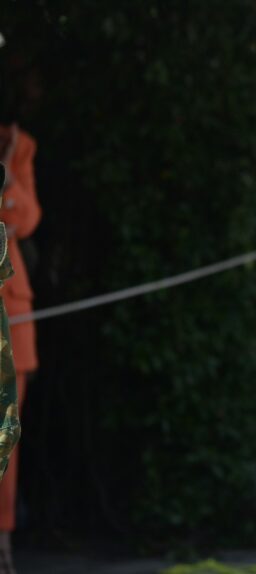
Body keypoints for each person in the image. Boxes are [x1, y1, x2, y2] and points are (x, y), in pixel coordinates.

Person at [0, 121, 40, 574]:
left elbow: (25, 219)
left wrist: (8, 173)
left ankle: (3, 542)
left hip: (11, 315)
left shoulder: (19, 146)